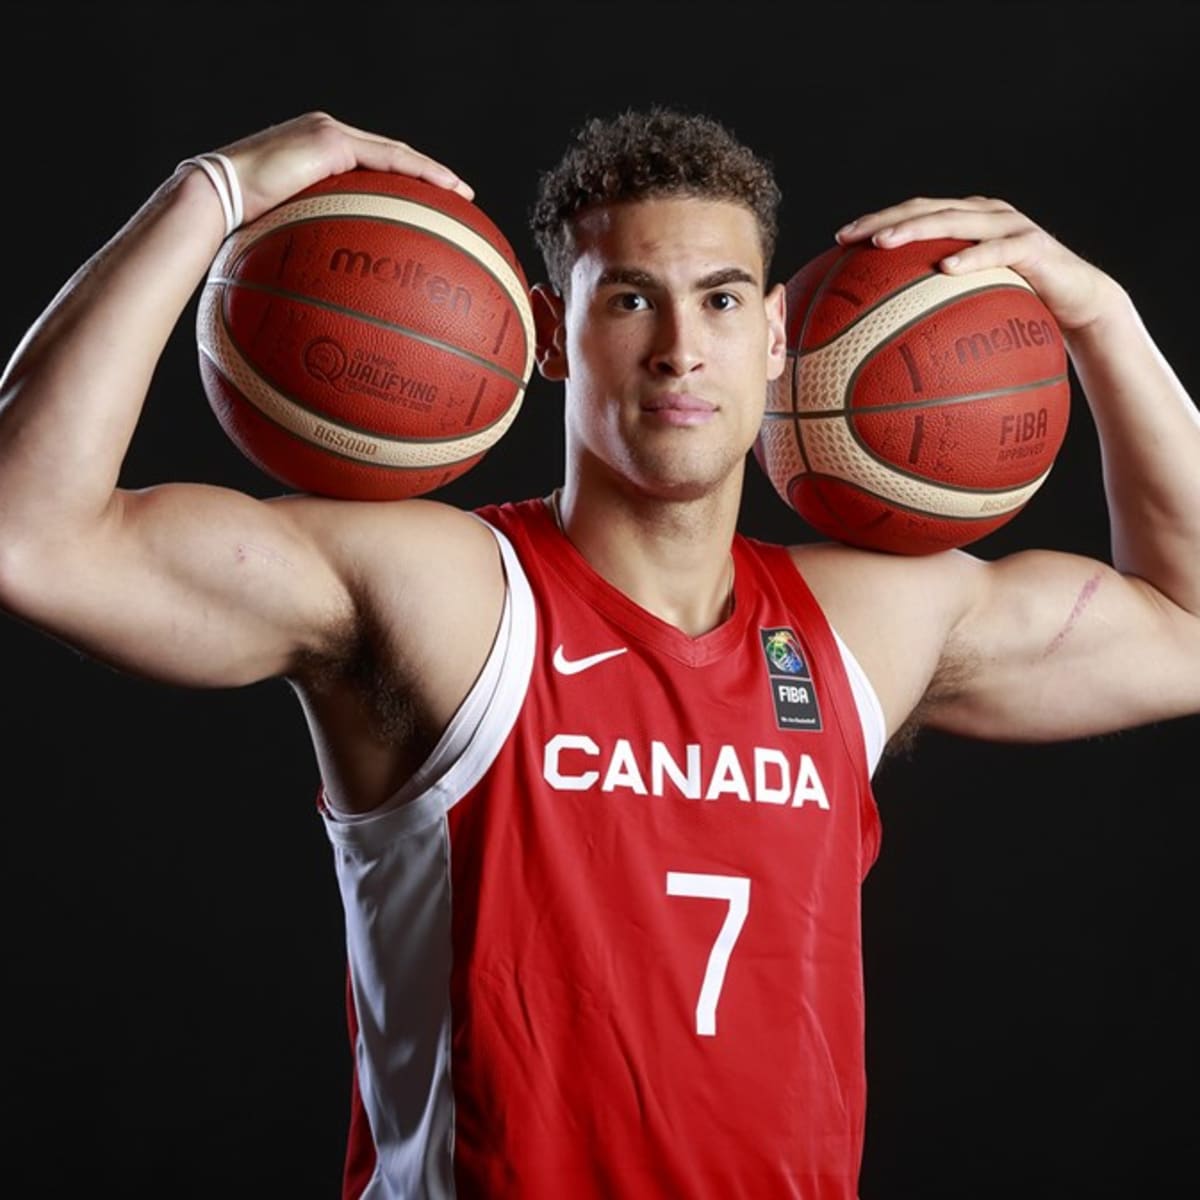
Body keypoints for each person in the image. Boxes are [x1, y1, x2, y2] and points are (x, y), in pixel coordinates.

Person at [1, 107, 1198, 1199]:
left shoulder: (865, 626)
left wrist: (1098, 315)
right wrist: (208, 192)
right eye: (629, 300)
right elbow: (31, 537)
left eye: (721, 301)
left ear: (775, 336)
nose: (680, 349)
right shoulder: (442, 594)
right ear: (550, 335)